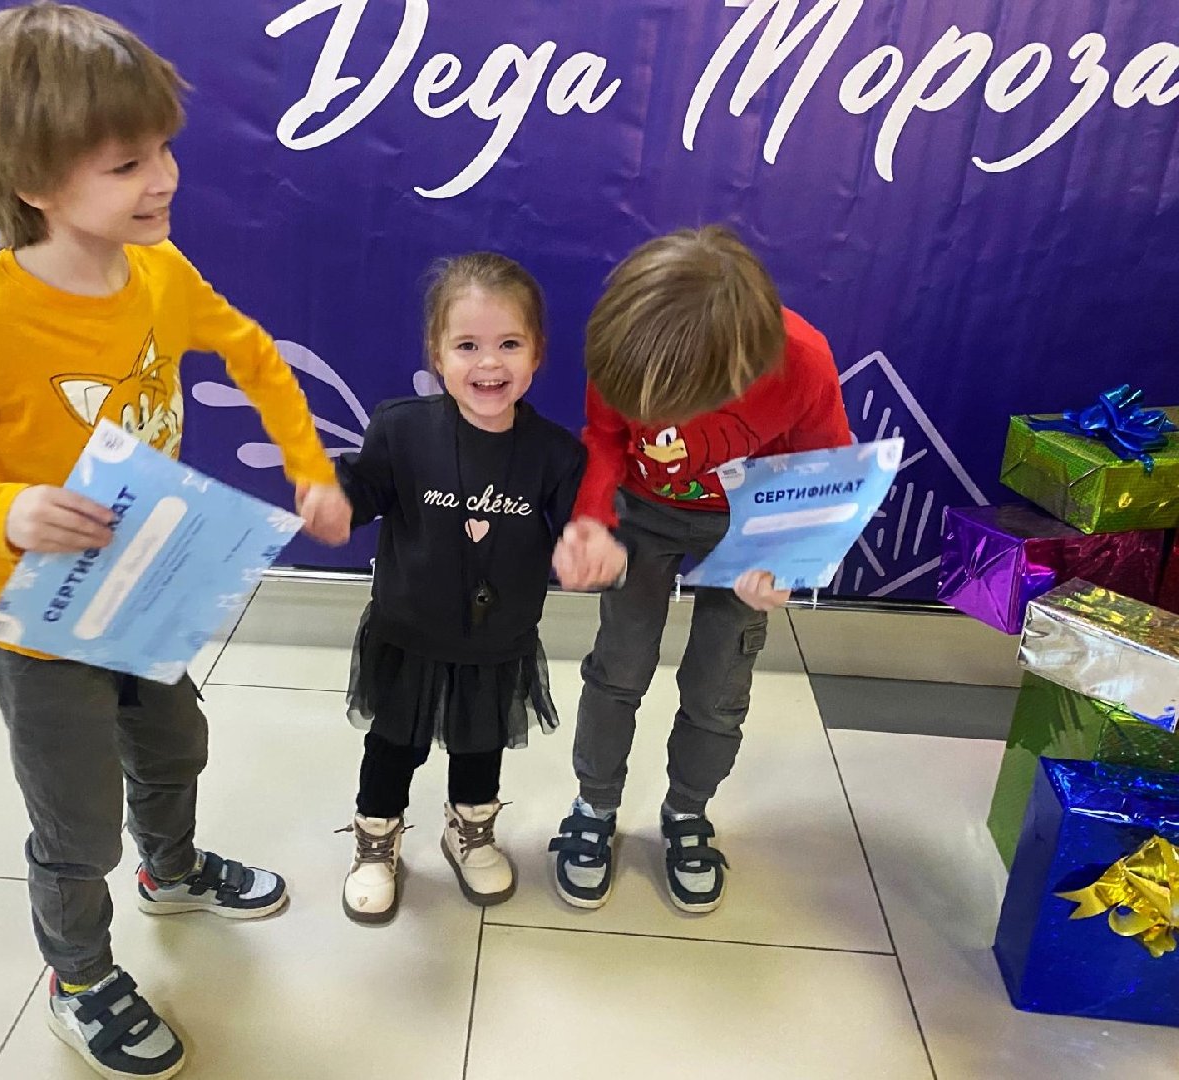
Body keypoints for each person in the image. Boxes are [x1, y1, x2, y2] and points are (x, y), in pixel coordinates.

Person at [0, 5, 350, 1076]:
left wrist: (311, 468)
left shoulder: (158, 273)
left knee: (176, 745)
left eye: (164, 148)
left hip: (144, 588)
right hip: (34, 625)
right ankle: (78, 975)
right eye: (128, 164)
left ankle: (170, 870)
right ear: (35, 181)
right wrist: (4, 510)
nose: (164, 178)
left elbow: (255, 355)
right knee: (76, 823)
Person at [548, 226, 850, 915]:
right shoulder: (630, 339)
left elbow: (826, 471)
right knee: (618, 667)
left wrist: (786, 560)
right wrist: (590, 518)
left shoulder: (801, 360)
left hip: (748, 522)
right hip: (642, 513)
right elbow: (605, 437)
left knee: (719, 686)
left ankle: (687, 810)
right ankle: (595, 805)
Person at [334, 253, 626, 924]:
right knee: (393, 746)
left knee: (480, 744)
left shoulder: (556, 454)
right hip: (408, 631)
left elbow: (579, 526)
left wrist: (594, 546)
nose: (488, 363)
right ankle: (376, 837)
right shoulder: (401, 428)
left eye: (509, 344)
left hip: (497, 640)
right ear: (437, 354)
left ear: (537, 353)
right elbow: (363, 492)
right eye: (467, 345)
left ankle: (470, 829)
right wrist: (333, 498)